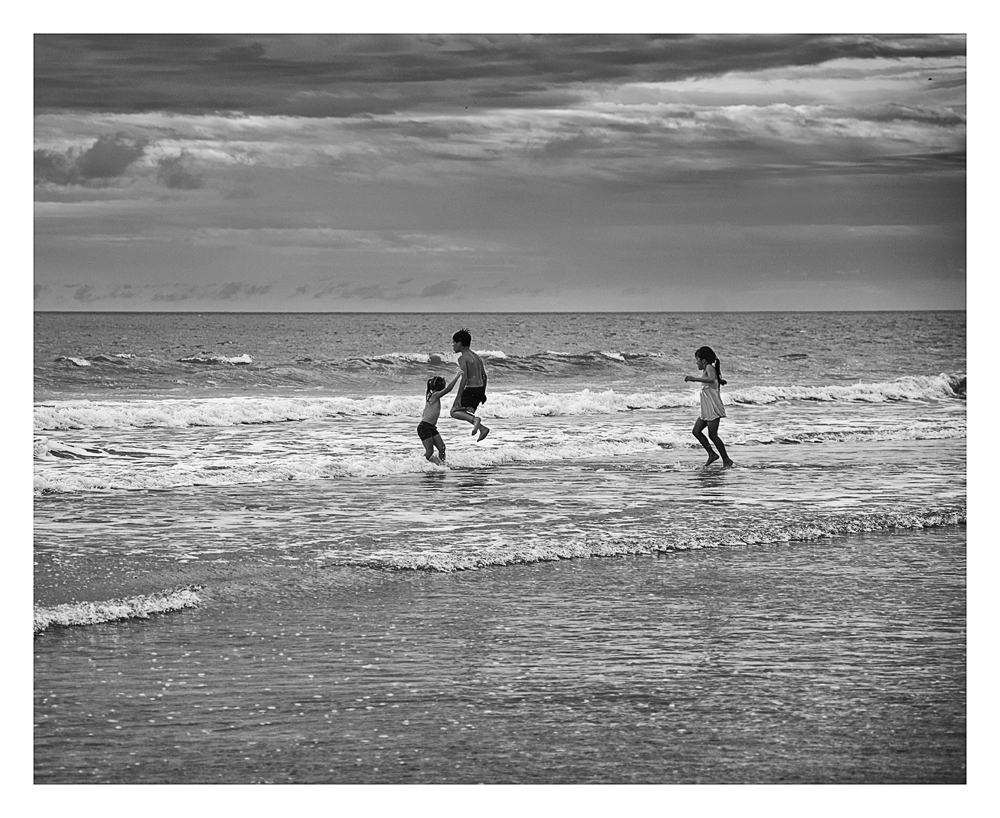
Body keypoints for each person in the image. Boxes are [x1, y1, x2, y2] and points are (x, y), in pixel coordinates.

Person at [684, 345, 734, 468]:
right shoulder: (708, 368)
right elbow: (714, 379)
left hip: (713, 407)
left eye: (697, 360)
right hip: (707, 408)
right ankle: (712, 454)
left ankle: (726, 459)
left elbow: (711, 379)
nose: (696, 363)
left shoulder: (709, 367)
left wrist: (693, 379)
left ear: (704, 360)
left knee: (713, 434)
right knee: (696, 431)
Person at [450, 329, 491, 441]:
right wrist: (483, 392)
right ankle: (482, 428)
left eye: (453, 343)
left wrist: (458, 397)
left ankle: (475, 421)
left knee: (454, 411)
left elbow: (465, 378)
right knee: (464, 410)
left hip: (471, 389)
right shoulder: (477, 357)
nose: (452, 345)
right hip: (479, 389)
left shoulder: (462, 358)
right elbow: (484, 376)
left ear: (459, 343)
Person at [417, 373, 460, 464]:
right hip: (424, 427)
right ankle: (418, 464)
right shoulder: (435, 395)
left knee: (442, 447)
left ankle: (441, 465)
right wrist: (457, 376)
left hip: (431, 427)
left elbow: (425, 411)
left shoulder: (432, 396)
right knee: (429, 452)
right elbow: (448, 389)